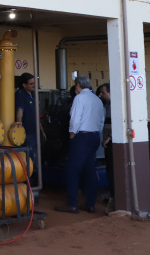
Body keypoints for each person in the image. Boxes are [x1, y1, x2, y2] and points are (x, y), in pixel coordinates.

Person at [55, 75, 104, 214]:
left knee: (72, 170)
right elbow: (100, 120)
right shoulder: (97, 99)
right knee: (90, 171)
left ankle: (72, 204)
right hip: (94, 136)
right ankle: (90, 204)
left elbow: (75, 118)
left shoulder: (79, 98)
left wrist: (72, 133)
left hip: (82, 136)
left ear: (78, 86)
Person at [15, 73, 43, 172]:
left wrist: (42, 131)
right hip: (27, 133)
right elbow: (19, 110)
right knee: (31, 160)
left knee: (37, 158)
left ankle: (35, 182)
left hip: (35, 132)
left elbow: (37, 114)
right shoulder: (20, 94)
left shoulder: (33, 94)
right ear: (24, 85)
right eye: (31, 84)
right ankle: (30, 184)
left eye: (34, 83)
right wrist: (19, 128)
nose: (33, 85)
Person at [97, 83, 114, 207]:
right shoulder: (107, 105)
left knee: (112, 170)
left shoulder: (114, 106)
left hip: (112, 142)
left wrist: (109, 138)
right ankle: (112, 195)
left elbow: (117, 123)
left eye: (103, 92)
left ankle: (114, 197)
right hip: (107, 141)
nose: (101, 95)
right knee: (109, 169)